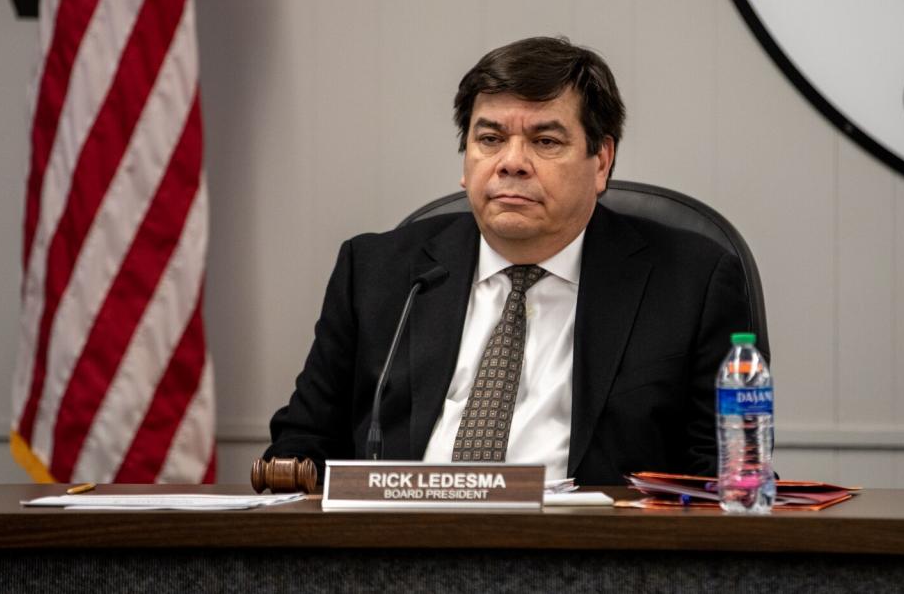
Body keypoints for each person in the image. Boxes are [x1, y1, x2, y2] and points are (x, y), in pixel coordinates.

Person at [264, 37, 751, 484]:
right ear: (466, 159)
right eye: (490, 139)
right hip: (404, 551)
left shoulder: (691, 282)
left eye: (545, 141)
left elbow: (729, 472)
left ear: (601, 161)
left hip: (592, 559)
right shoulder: (378, 273)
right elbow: (303, 442)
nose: (511, 162)